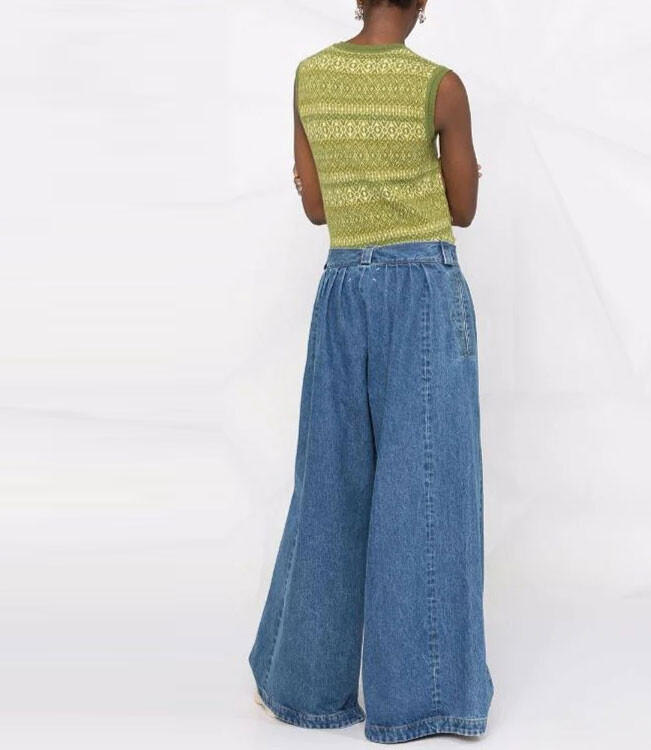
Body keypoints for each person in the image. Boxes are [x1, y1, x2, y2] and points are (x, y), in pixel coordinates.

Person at [248, 0, 493, 743]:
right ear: (422, 4)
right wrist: (452, 166)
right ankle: (423, 702)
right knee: (427, 490)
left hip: (343, 290)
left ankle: (302, 686)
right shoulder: (439, 85)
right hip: (423, 291)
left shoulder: (310, 77)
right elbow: (464, 207)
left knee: (329, 482)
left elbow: (318, 207)